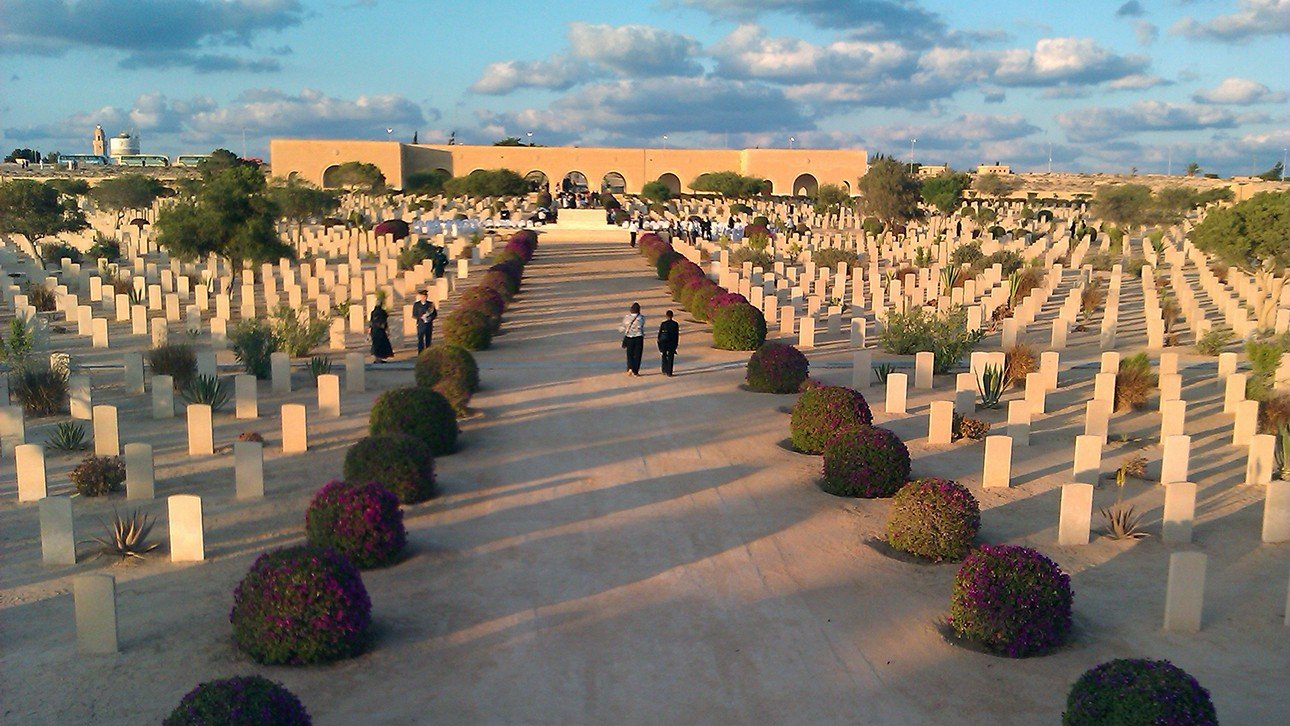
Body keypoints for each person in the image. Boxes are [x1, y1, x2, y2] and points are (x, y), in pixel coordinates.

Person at [619, 302, 645, 377]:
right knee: (638, 354)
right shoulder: (642, 317)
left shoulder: (627, 317)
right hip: (639, 337)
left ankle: (630, 367)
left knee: (629, 354)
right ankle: (635, 371)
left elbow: (623, 327)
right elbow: (642, 325)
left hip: (629, 337)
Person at [657, 310, 679, 376]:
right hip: (672, 342)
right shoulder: (675, 324)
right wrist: (676, 345)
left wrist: (659, 343)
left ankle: (664, 369)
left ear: (666, 316)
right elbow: (676, 335)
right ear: (672, 316)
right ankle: (669, 372)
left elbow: (660, 334)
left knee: (664, 355)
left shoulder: (663, 324)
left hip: (664, 342)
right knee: (671, 357)